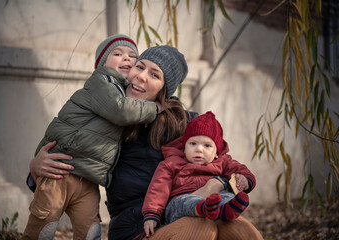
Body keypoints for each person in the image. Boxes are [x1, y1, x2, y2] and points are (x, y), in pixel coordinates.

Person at [28, 45, 264, 240]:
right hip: (136, 228)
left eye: (154, 74)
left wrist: (218, 184)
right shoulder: (108, 120)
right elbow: (71, 146)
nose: (141, 76)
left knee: (240, 230)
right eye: (139, 67)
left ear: (165, 89)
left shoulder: (187, 125)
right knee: (199, 229)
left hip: (187, 210)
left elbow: (224, 164)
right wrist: (36, 167)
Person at [23, 34, 161, 240]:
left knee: (90, 231)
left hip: (88, 180)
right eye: (118, 53)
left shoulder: (127, 94)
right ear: (101, 63)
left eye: (133, 56)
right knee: (44, 225)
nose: (127, 58)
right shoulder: (101, 82)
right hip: (60, 170)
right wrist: (155, 108)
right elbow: (120, 111)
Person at [142, 111, 255, 238]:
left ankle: (226, 210)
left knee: (226, 196)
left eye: (207, 145)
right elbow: (158, 188)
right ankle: (203, 208)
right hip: (182, 202)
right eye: (193, 143)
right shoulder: (172, 163)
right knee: (183, 202)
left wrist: (244, 179)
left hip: (215, 201)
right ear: (184, 147)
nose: (199, 149)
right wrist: (152, 214)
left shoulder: (223, 162)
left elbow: (240, 169)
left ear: (217, 152)